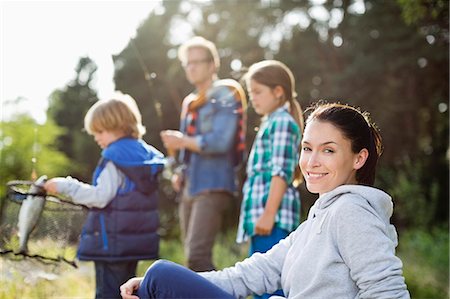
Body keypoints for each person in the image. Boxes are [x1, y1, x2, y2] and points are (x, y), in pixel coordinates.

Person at [120, 102, 410, 299]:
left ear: (359, 158)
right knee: (158, 279)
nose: (311, 162)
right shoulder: (316, 220)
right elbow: (249, 275)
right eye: (307, 148)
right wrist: (149, 287)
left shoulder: (352, 211)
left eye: (328, 151)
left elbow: (388, 292)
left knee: (160, 274)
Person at [43, 93, 165, 299]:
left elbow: (100, 196)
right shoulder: (143, 154)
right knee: (127, 293)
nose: (96, 137)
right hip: (132, 244)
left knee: (108, 294)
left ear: (118, 126)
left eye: (100, 131)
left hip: (113, 245)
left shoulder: (114, 157)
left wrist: (67, 186)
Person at [160, 36, 246, 272]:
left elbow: (221, 142)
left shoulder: (226, 93)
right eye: (188, 63)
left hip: (213, 182)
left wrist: (182, 141)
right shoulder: (190, 102)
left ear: (212, 64)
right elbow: (185, 152)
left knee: (198, 257)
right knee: (191, 257)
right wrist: (178, 170)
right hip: (190, 184)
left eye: (198, 61)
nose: (192, 67)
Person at [236, 60, 303, 299]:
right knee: (258, 281)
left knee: (270, 285)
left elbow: (280, 171)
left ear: (278, 92)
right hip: (262, 219)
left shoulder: (282, 123)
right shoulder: (270, 123)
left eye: (257, 92)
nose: (252, 98)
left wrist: (268, 213)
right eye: (250, 92)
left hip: (272, 219)